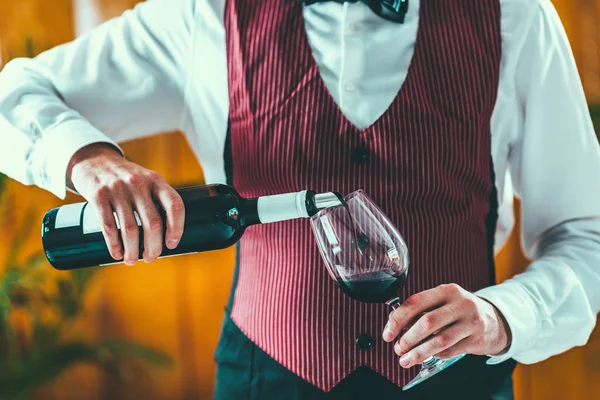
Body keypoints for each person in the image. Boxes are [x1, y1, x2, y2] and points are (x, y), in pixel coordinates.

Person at [1, 0, 600, 398]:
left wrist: (501, 318)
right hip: (266, 376)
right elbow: (16, 92)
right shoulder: (203, 14)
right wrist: (90, 159)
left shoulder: (514, 15)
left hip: (458, 382)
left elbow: (586, 232)